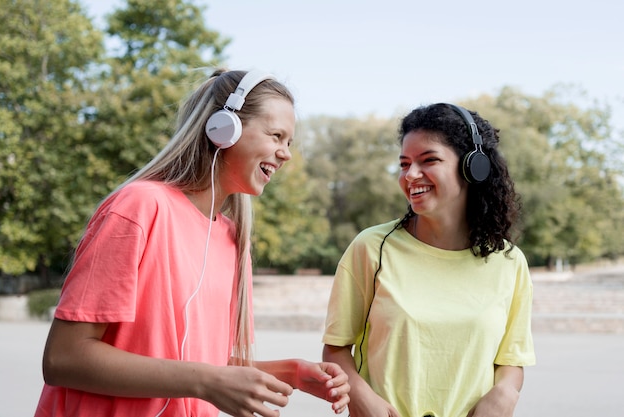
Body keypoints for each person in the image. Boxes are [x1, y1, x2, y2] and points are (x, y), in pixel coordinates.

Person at [35, 68, 350, 417]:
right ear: (223, 129)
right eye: (276, 136)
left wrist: (289, 372)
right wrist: (206, 381)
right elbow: (64, 357)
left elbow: (203, 362)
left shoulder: (235, 240)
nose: (285, 153)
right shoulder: (139, 207)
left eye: (288, 142)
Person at [322, 103, 535, 417]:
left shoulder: (510, 262)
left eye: (429, 160)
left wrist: (505, 393)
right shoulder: (371, 248)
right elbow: (336, 347)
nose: (411, 175)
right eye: (404, 164)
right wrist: (362, 399)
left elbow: (510, 360)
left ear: (473, 167)